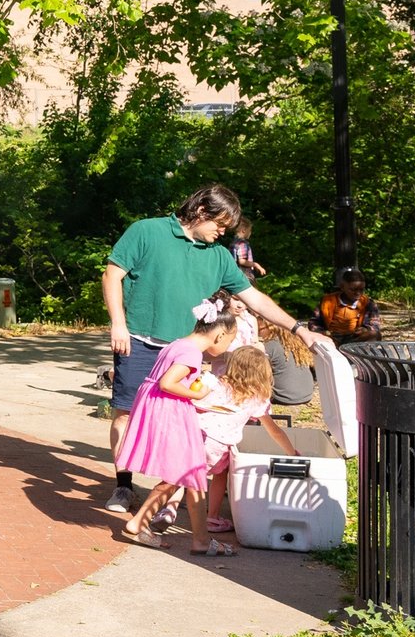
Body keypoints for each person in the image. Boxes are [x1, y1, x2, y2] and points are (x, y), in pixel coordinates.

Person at [101, 184, 330, 513]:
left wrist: (300, 330)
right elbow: (112, 276)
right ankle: (123, 486)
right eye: (220, 224)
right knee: (126, 413)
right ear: (200, 211)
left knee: (183, 421)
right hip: (139, 339)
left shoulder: (219, 256)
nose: (223, 233)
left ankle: (166, 497)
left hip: (186, 351)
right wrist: (118, 323)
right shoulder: (146, 231)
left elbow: (255, 299)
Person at [116, 297, 238, 554]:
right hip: (170, 413)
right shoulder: (192, 352)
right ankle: (196, 540)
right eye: (229, 340)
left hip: (161, 408)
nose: (228, 346)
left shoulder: (179, 344)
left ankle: (150, 525)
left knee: (187, 473)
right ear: (219, 335)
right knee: (187, 471)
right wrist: (199, 394)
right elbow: (168, 383)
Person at [198, 344, 298, 541]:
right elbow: (274, 431)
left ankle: (168, 510)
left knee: (181, 479)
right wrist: (292, 453)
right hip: (218, 446)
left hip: (195, 436)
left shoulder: (217, 384)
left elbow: (196, 402)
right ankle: (212, 517)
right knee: (220, 475)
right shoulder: (256, 399)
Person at [315, 268, 383, 343]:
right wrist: (322, 332)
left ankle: (353, 350)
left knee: (375, 335)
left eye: (361, 290)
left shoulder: (368, 303)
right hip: (331, 337)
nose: (358, 293)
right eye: (353, 289)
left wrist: (365, 329)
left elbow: (375, 324)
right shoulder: (327, 301)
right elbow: (314, 322)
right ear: (342, 287)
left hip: (354, 338)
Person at [259, 319, 317, 406]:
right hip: (307, 395)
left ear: (270, 328)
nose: (258, 333)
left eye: (260, 329)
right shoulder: (297, 343)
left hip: (282, 398)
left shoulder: (269, 347)